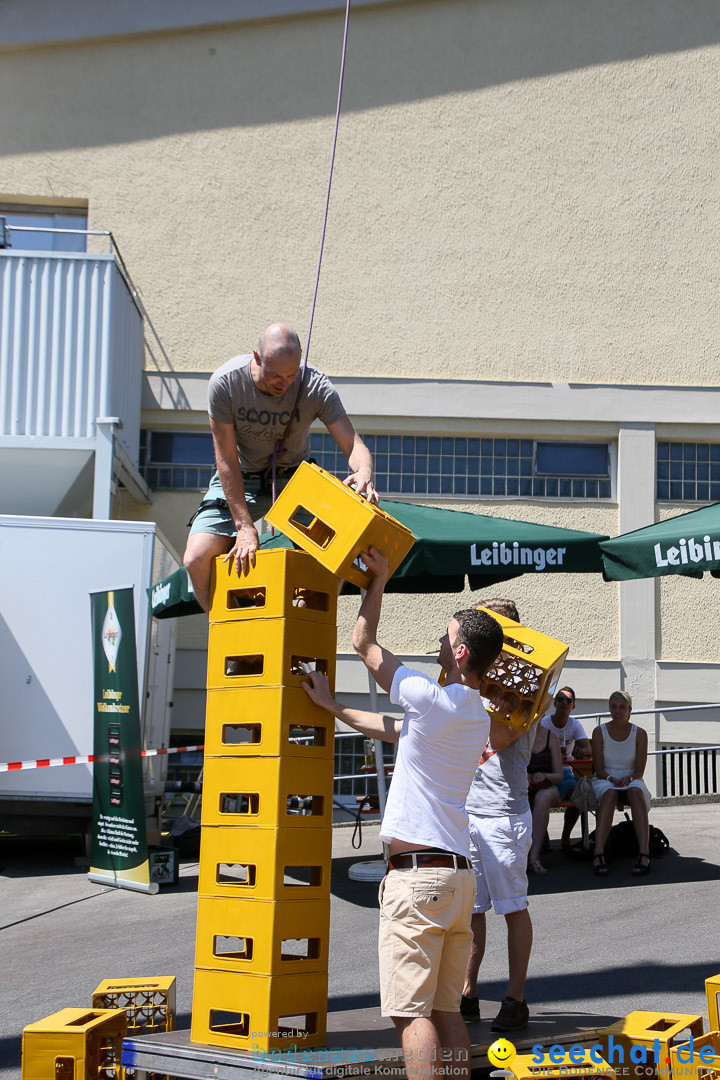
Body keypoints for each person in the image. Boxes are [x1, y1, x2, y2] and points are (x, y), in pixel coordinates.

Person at [302, 549, 505, 1080]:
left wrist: (379, 581)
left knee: (409, 1014)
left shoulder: (431, 698)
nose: (438, 642)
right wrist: (333, 707)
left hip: (418, 880)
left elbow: (362, 644)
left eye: (445, 635)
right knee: (445, 1011)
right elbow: (392, 729)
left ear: (460, 653)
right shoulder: (473, 717)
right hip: (459, 880)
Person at [183, 323, 376, 611]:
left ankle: (304, 620)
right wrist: (244, 526)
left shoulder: (315, 385)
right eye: (275, 374)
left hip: (296, 477)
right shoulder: (226, 383)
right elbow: (226, 460)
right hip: (240, 477)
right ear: (256, 357)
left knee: (340, 546)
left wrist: (364, 473)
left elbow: (353, 444)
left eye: (291, 374)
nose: (283, 383)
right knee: (196, 559)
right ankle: (235, 629)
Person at [460, 598, 535, 1033]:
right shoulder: (477, 679)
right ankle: (468, 992)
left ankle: (515, 998)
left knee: (511, 907)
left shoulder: (525, 682)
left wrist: (470, 691)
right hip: (469, 808)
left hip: (504, 813)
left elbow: (501, 736)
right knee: (470, 910)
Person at [591, 691, 651, 877]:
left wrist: (629, 779)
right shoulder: (599, 732)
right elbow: (599, 769)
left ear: (629, 710)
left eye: (622, 707)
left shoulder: (640, 734)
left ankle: (644, 853)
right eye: (613, 706)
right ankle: (598, 853)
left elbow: (639, 771)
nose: (617, 711)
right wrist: (610, 779)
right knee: (610, 794)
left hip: (632, 779)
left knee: (635, 792)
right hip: (605, 779)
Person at [539, 687, 591, 852]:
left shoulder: (574, 725)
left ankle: (566, 836)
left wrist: (580, 751)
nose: (564, 703)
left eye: (568, 700)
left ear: (573, 706)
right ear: (554, 703)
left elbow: (587, 748)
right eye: (560, 699)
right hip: (546, 772)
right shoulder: (544, 723)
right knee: (537, 798)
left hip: (566, 772)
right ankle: (543, 838)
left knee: (577, 797)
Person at [525, 724, 564, 875]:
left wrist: (545, 775)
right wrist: (525, 775)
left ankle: (534, 858)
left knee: (542, 797)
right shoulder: (518, 735)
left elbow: (559, 776)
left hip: (548, 787)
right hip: (524, 787)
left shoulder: (551, 737)